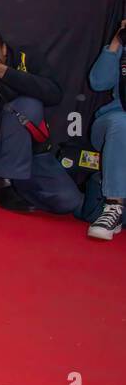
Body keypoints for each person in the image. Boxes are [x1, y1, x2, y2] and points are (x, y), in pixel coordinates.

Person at [0, 25, 82, 215]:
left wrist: (3, 72)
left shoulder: (25, 57)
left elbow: (54, 95)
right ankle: (3, 182)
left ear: (4, 49)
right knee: (28, 106)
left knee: (69, 201)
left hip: (30, 152)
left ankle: (10, 186)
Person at [85, 18, 126, 240]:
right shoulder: (122, 46)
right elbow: (98, 82)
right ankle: (113, 207)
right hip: (115, 124)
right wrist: (116, 42)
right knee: (122, 122)